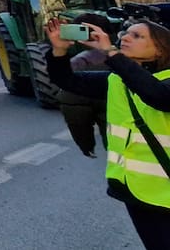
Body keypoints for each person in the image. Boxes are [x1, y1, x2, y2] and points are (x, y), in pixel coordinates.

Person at [45, 17, 170, 247]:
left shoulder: (164, 81)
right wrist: (59, 51)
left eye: (138, 36)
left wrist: (112, 53)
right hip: (137, 191)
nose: (125, 38)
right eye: (126, 33)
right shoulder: (117, 80)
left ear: (160, 50)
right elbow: (67, 81)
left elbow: (158, 96)